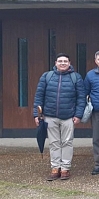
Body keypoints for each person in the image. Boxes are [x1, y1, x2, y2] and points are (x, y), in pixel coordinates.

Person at [33, 53, 85, 181]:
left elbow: (81, 98)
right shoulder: (47, 76)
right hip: (50, 116)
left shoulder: (76, 77)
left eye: (65, 61)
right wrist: (36, 114)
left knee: (67, 142)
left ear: (69, 63)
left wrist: (78, 115)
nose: (63, 63)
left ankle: (65, 168)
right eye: (60, 61)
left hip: (68, 117)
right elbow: (39, 96)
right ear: (55, 63)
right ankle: (55, 168)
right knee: (54, 143)